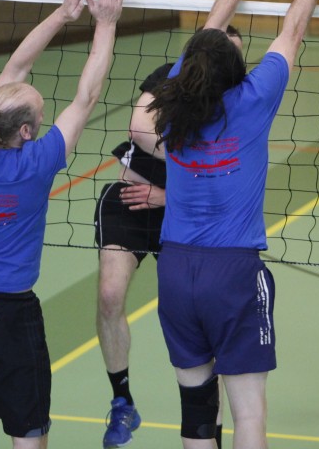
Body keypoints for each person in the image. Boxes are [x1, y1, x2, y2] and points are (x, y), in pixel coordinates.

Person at [149, 0, 319, 449]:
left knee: (196, 411)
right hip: (232, 271)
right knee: (248, 412)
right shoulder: (253, 100)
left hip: (175, 269)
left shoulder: (171, 101)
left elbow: (206, 34)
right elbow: (291, 32)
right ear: (235, 69)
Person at [0, 0, 123, 449]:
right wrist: (106, 23)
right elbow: (87, 95)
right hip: (7, 313)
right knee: (28, 432)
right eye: (40, 113)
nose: (44, 114)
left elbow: (17, 66)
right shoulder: (36, 164)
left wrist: (64, 14)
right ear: (26, 132)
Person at [95, 25, 242, 449]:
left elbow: (232, 177)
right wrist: (194, 159)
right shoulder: (170, 76)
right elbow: (140, 129)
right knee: (109, 294)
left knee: (202, 325)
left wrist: (171, 194)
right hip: (132, 200)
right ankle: (122, 400)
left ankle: (210, 430)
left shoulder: (240, 99)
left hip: (187, 215)